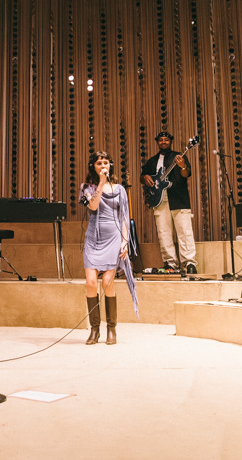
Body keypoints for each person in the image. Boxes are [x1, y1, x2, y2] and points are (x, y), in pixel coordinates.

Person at [80, 151, 138, 345]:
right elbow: (93, 207)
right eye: (99, 163)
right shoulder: (88, 188)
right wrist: (102, 182)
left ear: (110, 165)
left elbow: (124, 215)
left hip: (114, 238)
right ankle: (94, 330)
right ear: (93, 166)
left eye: (105, 162)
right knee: (90, 283)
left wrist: (125, 240)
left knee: (107, 282)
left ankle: (111, 329)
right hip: (93, 239)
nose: (103, 165)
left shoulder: (120, 189)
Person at [141, 131, 197, 274]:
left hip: (179, 198)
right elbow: (143, 177)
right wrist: (145, 177)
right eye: (161, 140)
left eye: (166, 140)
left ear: (170, 141)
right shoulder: (152, 161)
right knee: (164, 233)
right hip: (159, 201)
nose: (164, 142)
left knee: (184, 231)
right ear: (157, 142)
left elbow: (186, 174)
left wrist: (183, 166)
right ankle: (170, 263)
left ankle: (189, 263)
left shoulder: (179, 156)